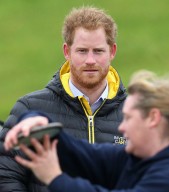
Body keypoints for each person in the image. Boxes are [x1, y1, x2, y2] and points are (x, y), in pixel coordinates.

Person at [0, 6, 127, 192]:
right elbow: (5, 175)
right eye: (82, 51)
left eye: (98, 51)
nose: (90, 60)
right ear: (67, 51)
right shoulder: (28, 108)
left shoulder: (134, 115)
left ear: (112, 51)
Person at [4, 70, 169, 192]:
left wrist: (55, 178)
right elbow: (79, 153)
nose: (121, 127)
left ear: (153, 118)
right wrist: (37, 120)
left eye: (128, 118)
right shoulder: (135, 159)